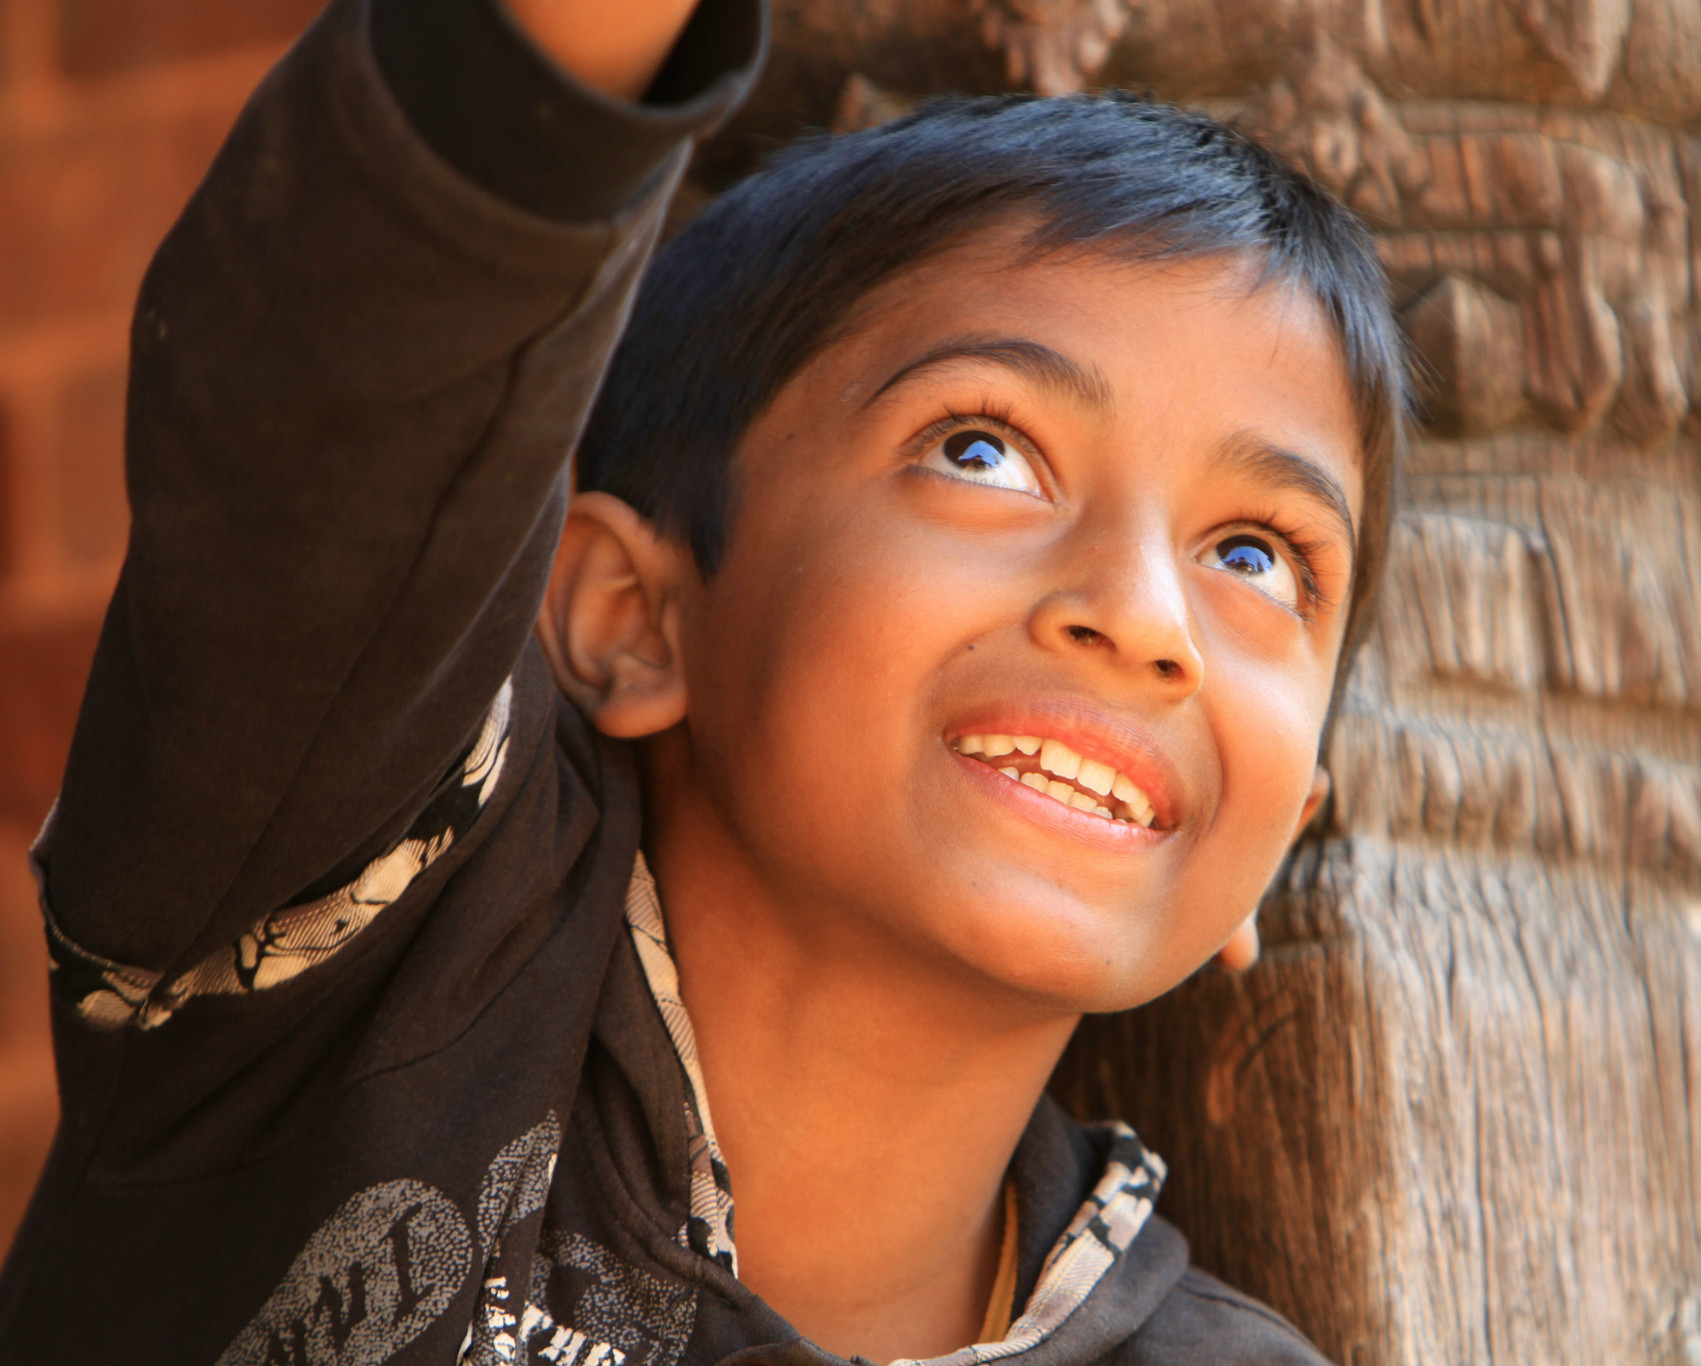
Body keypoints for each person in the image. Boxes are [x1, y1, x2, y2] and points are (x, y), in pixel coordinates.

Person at [0, 0, 1405, 1357]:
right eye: (982, 449)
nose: (1147, 616)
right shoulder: (353, 934)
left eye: (1261, 554)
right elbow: (360, 369)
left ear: (1286, 832)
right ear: (632, 616)